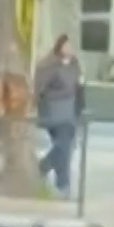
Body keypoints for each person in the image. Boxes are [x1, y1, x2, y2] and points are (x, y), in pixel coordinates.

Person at [34, 34, 82, 196]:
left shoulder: (74, 65)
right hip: (54, 110)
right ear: (59, 47)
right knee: (63, 146)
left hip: (69, 111)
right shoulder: (49, 65)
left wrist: (79, 109)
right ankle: (45, 169)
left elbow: (78, 88)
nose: (70, 49)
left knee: (65, 148)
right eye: (67, 45)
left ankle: (62, 185)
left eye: (72, 46)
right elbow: (39, 89)